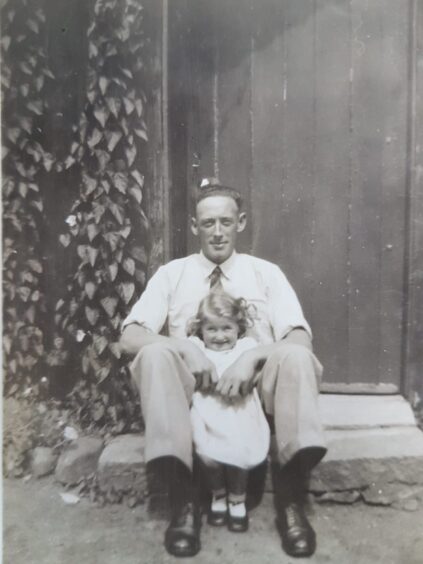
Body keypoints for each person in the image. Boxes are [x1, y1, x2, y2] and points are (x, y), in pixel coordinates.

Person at [120, 178, 327, 558]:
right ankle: (183, 504)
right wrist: (183, 346)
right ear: (195, 226)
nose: (217, 233)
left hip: (253, 386)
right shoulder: (173, 273)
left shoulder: (265, 273)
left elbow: (300, 339)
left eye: (226, 223)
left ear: (241, 222)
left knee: (295, 357)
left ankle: (291, 502)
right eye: (209, 223)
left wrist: (252, 357)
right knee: (152, 354)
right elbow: (130, 336)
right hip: (193, 385)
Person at [187, 291, 270, 533]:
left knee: (239, 455)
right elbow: (184, 350)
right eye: (212, 329)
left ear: (238, 328)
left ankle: (237, 498)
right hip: (208, 408)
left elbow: (261, 359)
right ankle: (218, 495)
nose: (220, 336)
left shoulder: (246, 347)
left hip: (238, 411)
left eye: (227, 328)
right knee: (208, 456)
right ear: (201, 329)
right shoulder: (196, 347)